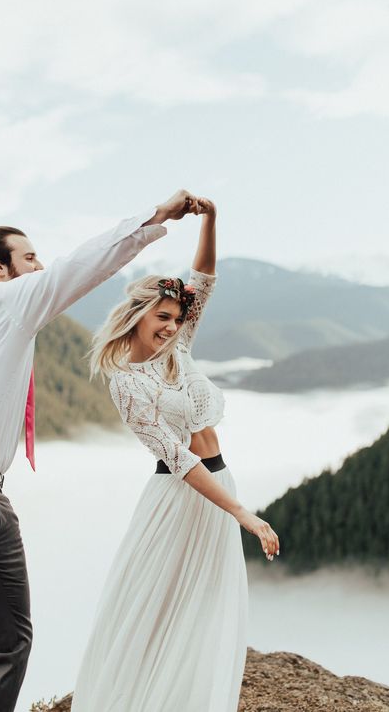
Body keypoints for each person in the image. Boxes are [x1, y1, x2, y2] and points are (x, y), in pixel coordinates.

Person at [0, 190, 195, 712]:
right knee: (7, 643)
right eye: (29, 257)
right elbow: (79, 268)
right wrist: (155, 217)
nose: (40, 265)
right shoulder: (13, 301)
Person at [72, 197, 279, 712]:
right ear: (139, 315)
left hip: (218, 483)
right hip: (181, 495)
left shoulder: (179, 346)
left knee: (208, 604)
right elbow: (180, 459)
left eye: (175, 317)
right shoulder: (128, 384)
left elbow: (203, 277)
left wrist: (211, 219)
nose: (170, 325)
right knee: (159, 606)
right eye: (161, 316)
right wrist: (241, 514)